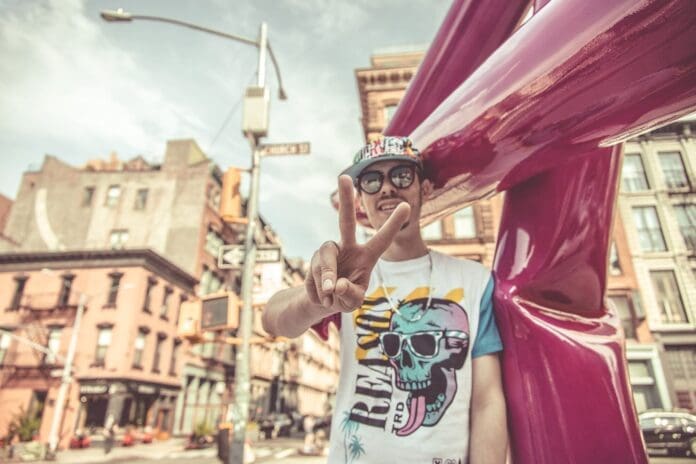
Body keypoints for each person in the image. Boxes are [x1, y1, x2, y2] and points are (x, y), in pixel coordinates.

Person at [263, 136, 507, 463]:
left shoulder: (475, 281)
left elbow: (487, 399)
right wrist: (316, 300)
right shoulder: (348, 282)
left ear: (425, 189)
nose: (387, 188)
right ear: (361, 199)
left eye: (402, 175)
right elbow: (272, 318)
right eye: (372, 180)